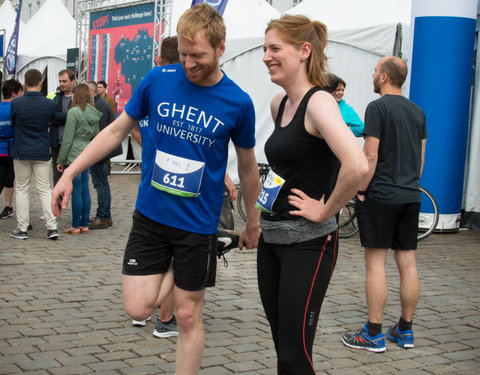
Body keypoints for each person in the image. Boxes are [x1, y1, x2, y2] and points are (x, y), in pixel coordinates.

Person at [52, 4, 260, 374]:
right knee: (137, 308)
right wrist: (70, 173)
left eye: (198, 55)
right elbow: (116, 130)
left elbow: (246, 166)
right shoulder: (158, 80)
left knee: (186, 315)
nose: (189, 63)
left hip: (198, 224)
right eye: (182, 54)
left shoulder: (238, 102)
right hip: (150, 215)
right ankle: (192, 262)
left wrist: (253, 222)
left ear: (220, 48)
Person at [259, 15, 368, 374]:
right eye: (264, 49)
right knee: (282, 348)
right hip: (272, 240)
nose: (266, 56)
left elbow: (356, 165)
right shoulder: (279, 104)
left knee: (294, 355)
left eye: (275, 48)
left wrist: (325, 211)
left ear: (304, 51)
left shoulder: (319, 102)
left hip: (308, 243)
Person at [342, 56, 427, 352]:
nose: (373, 73)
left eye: (376, 70)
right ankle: (405, 330)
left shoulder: (376, 108)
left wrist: (362, 190)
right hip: (410, 195)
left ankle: (374, 332)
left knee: (376, 263)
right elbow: (420, 161)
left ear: (384, 78)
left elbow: (370, 156)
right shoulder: (418, 111)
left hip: (381, 195)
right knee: (407, 262)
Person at [9, 69, 59, 240]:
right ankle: (52, 227)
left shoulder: (16, 104)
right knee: (45, 189)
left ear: (25, 82)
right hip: (41, 150)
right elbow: (52, 122)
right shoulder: (49, 104)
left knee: (22, 189)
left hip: (22, 150)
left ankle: (22, 228)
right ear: (41, 83)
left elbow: (14, 123)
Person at [56, 84, 101, 235]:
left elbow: (68, 138)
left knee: (76, 191)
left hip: (74, 153)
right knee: (85, 190)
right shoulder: (93, 113)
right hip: (86, 153)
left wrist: (61, 159)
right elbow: (96, 136)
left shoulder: (74, 112)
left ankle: (75, 225)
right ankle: (84, 224)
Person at [85, 80, 121, 230]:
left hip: (101, 150)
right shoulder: (99, 103)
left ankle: (103, 216)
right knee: (102, 183)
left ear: (92, 92)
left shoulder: (98, 105)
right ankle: (105, 215)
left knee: (100, 184)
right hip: (103, 149)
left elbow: (97, 133)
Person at [0, 79, 23, 219]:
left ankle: (8, 207)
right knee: (14, 179)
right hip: (14, 149)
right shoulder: (16, 108)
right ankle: (9, 207)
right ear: (14, 93)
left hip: (2, 149)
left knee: (8, 178)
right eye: (21, 92)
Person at [51, 69, 76, 187]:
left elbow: (79, 118)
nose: (61, 84)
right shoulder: (56, 98)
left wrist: (60, 117)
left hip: (73, 145)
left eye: (64, 81)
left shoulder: (78, 98)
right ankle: (58, 205)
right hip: (57, 143)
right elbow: (52, 117)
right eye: (60, 81)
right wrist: (69, 115)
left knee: (75, 180)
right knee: (57, 179)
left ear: (73, 81)